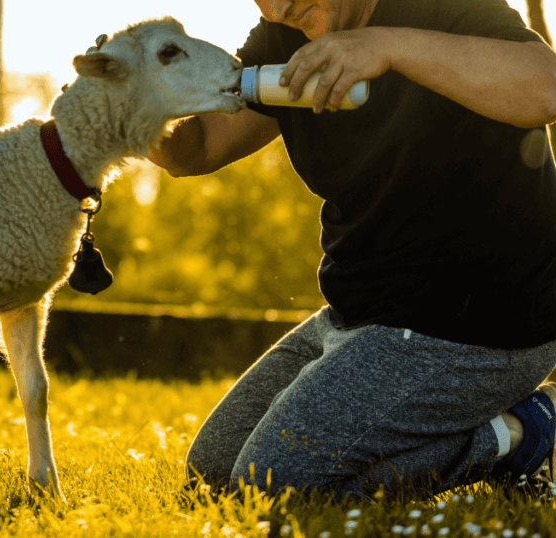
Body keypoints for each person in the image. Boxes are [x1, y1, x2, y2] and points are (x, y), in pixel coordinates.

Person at [149, 0, 556, 498]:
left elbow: (546, 88)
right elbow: (199, 147)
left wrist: (386, 46)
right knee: (210, 475)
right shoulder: (282, 35)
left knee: (272, 487)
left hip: (481, 321)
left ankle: (521, 434)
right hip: (359, 313)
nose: (279, 7)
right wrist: (132, 112)